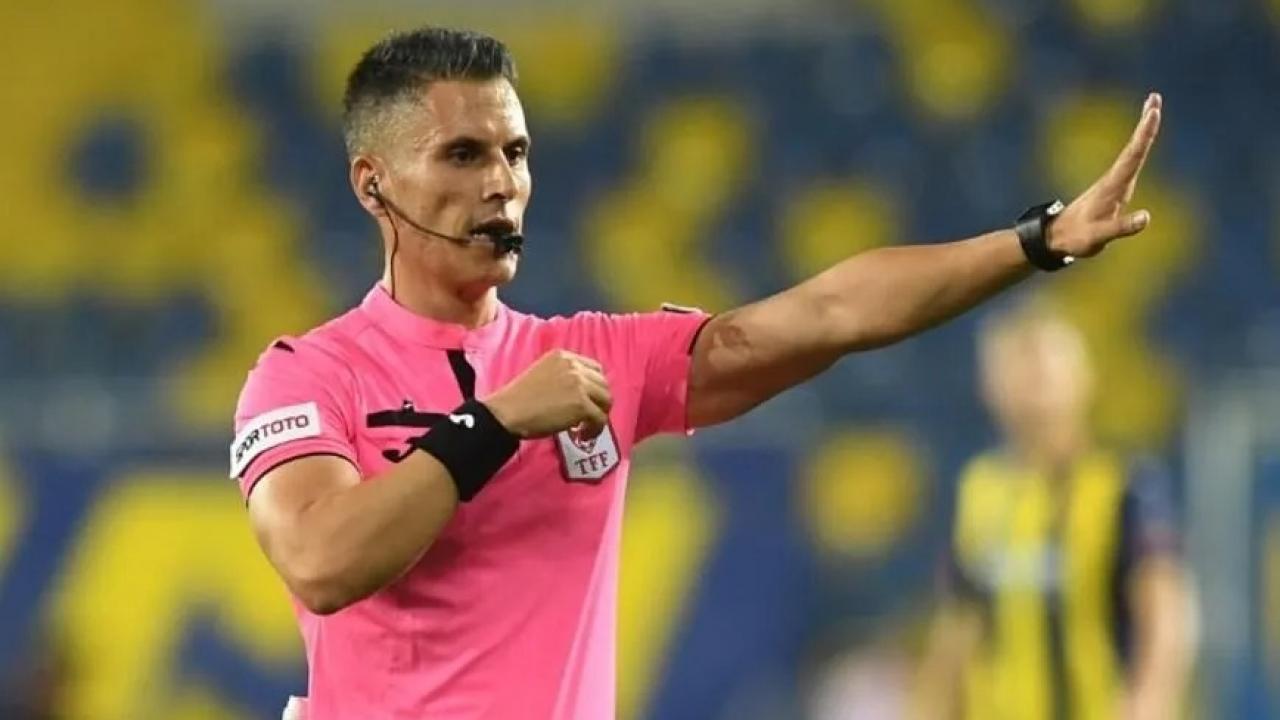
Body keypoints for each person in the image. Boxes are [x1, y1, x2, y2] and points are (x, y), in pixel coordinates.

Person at [231, 26, 1164, 720]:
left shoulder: (597, 357)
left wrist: (1038, 240)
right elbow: (322, 562)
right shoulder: (309, 376)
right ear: (373, 184)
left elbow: (828, 314)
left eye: (515, 152)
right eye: (463, 154)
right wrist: (495, 424)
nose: (501, 183)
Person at [914, 301, 1197, 720]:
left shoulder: (1123, 483)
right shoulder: (980, 489)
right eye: (1016, 364)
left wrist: (1147, 705)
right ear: (988, 384)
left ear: (1084, 377)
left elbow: (1165, 612)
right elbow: (958, 627)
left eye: (1045, 363)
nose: (1033, 379)